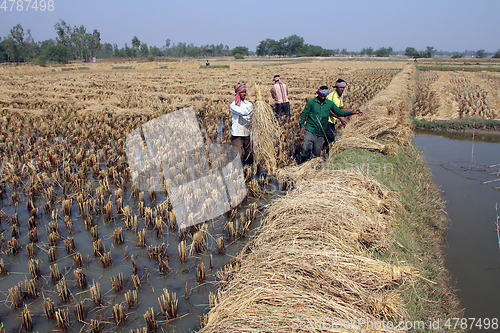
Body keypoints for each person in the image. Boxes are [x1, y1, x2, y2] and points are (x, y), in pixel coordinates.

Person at [298, 86, 362, 163]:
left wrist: (352, 112)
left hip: (321, 132)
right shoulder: (311, 102)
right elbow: (304, 114)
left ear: (326, 95)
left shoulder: (329, 104)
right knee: (305, 147)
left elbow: (339, 112)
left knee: (316, 154)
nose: (322, 97)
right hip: (310, 129)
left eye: (324, 96)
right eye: (321, 95)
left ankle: (312, 168)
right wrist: (301, 127)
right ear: (318, 93)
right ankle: (301, 164)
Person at [325, 79, 360, 143]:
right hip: (326, 120)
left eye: (343, 87)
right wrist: (339, 117)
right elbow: (328, 109)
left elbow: (341, 108)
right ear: (336, 88)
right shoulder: (332, 96)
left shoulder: (339, 97)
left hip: (332, 120)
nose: (342, 89)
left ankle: (326, 152)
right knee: (329, 138)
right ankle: (323, 151)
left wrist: (353, 112)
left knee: (331, 139)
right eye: (340, 87)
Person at [230, 82, 254, 166]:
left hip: (246, 133)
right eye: (242, 92)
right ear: (238, 93)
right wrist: (254, 109)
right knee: (237, 157)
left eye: (245, 92)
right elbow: (244, 112)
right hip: (237, 135)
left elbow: (252, 115)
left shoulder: (249, 104)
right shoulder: (233, 106)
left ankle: (249, 173)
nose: (244, 94)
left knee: (249, 155)